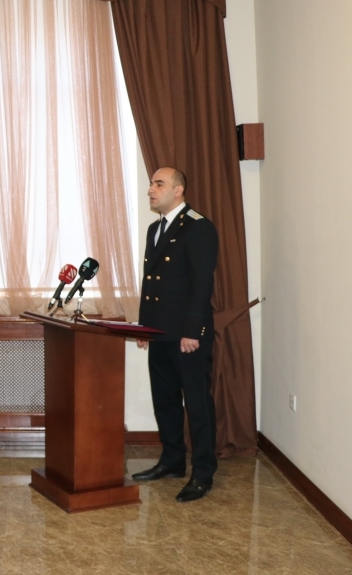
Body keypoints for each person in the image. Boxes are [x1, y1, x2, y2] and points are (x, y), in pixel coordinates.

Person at [133, 167, 219, 503]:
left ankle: (203, 472)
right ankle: (172, 461)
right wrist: (145, 327)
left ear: (178, 190)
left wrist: (193, 331)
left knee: (197, 404)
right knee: (165, 401)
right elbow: (151, 283)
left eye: (159, 184)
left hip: (187, 335)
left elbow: (202, 283)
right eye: (151, 184)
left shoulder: (198, 227)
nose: (151, 190)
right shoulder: (155, 229)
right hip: (160, 332)